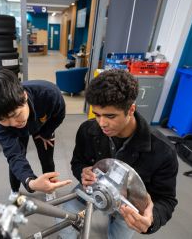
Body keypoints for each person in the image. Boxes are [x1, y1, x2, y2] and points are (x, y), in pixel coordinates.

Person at [59, 69, 178, 238]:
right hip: (93, 188)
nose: (102, 123)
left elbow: (166, 199)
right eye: (97, 114)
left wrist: (151, 220)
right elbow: (77, 162)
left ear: (131, 109)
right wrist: (82, 172)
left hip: (128, 206)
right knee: (64, 222)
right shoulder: (88, 130)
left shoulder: (163, 151)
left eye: (110, 116)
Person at [0, 69, 72, 198]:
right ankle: (15, 189)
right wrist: (30, 182)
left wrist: (46, 132)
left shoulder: (49, 93)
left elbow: (59, 115)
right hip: (15, 134)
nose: (14, 122)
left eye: (16, 115)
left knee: (47, 158)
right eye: (3, 120)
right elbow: (14, 155)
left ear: (24, 96)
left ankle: (50, 188)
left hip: (41, 126)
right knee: (17, 159)